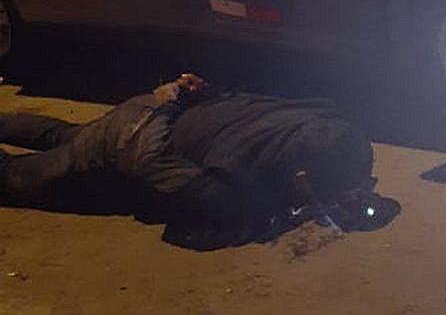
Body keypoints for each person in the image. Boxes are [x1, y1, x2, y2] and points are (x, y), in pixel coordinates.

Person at [0, 74, 396, 249]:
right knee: (16, 178)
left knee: (62, 136)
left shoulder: (313, 125)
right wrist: (166, 104)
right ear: (301, 173)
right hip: (125, 143)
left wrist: (173, 100)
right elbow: (146, 165)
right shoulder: (228, 185)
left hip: (154, 113)